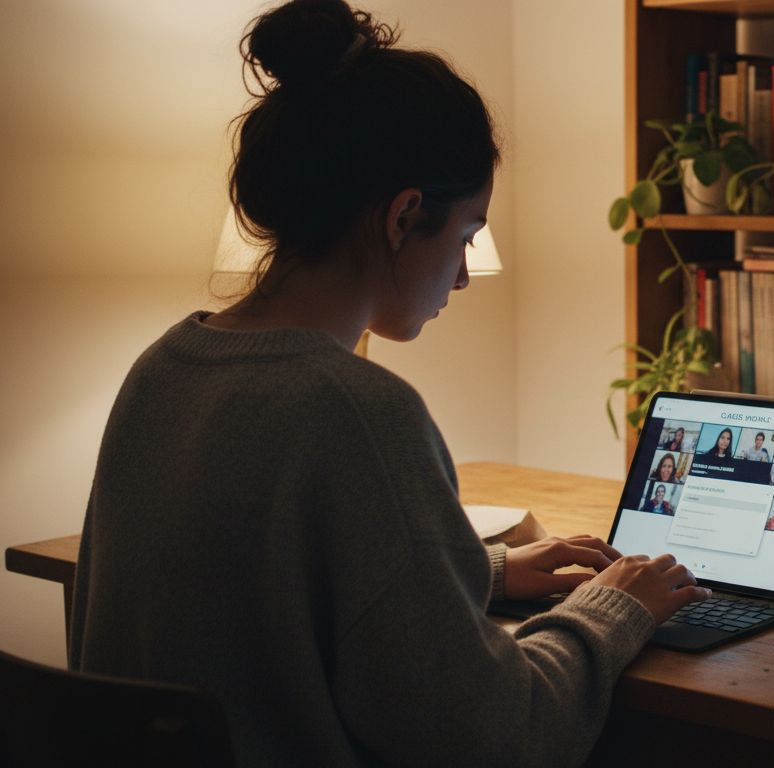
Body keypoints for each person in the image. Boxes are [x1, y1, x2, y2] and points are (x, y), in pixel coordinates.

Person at [66, 2, 708, 765]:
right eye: (467, 235)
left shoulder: (163, 367)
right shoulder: (360, 413)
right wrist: (612, 610)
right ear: (404, 217)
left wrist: (484, 571)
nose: (465, 277)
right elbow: (498, 736)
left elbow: (246, 587)